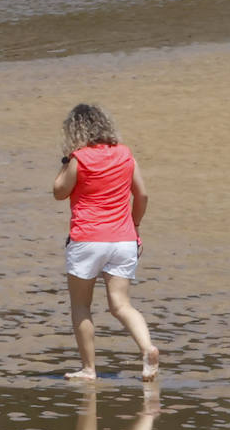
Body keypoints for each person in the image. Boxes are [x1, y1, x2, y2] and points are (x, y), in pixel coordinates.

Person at [53, 102, 159, 383]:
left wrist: (66, 161)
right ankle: (147, 349)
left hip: (87, 239)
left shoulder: (79, 158)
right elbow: (143, 195)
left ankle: (89, 369)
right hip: (124, 240)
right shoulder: (125, 154)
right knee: (121, 305)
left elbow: (58, 192)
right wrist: (135, 226)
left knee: (81, 306)